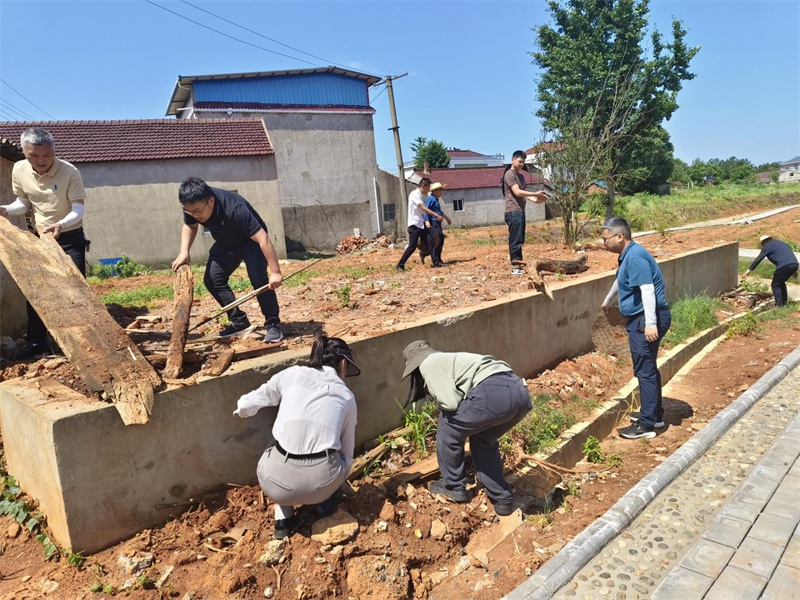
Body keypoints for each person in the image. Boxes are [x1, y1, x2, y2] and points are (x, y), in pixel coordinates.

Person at [233, 336, 360, 539]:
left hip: (274, 484)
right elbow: (347, 452)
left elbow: (247, 405)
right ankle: (323, 504)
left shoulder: (291, 375)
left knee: (277, 443)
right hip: (321, 485)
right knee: (335, 455)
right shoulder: (346, 396)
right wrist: (336, 482)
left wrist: (240, 410)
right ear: (343, 363)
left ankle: (282, 518)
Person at [402, 340, 532, 516]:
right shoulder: (448, 360)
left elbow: (449, 402)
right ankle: (502, 499)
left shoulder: (428, 363)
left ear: (415, 364)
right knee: (483, 439)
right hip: (519, 392)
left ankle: (454, 486)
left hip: (493, 392)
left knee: (447, 427)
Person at [0, 128, 88, 360]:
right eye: (33, 156)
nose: (40, 161)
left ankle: (83, 343)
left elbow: (78, 208)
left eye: (46, 156)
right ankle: (37, 341)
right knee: (37, 291)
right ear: (25, 153)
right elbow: (23, 203)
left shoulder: (70, 172)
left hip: (69, 237)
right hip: (40, 238)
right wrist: (6, 210)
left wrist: (60, 224)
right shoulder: (19, 169)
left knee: (76, 290)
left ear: (54, 151)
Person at [171, 177, 284, 342]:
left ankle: (273, 324)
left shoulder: (235, 209)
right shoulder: (192, 205)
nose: (195, 215)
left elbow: (263, 239)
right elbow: (190, 225)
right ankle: (239, 322)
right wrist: (184, 251)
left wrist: (276, 272)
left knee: (259, 280)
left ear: (211, 201)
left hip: (250, 242)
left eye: (197, 211)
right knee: (212, 279)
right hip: (225, 242)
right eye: (190, 212)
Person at [600, 217, 672, 440]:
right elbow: (621, 280)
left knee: (644, 370)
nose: (603, 243)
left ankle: (647, 425)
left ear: (620, 237)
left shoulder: (636, 256)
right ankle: (654, 414)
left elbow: (648, 290)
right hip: (642, 318)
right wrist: (608, 299)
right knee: (648, 367)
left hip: (645, 319)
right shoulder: (628, 256)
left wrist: (650, 324)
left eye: (606, 238)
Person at [503, 150, 548, 275]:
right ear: (513, 160)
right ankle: (515, 266)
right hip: (513, 211)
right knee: (515, 239)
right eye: (519, 161)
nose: (522, 164)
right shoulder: (509, 174)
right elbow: (517, 192)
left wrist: (538, 200)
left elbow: (525, 195)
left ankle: (518, 264)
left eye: (523, 162)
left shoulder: (521, 176)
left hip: (520, 211)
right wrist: (535, 193)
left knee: (520, 239)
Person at [395, 178, 442, 271]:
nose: (429, 190)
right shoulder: (415, 194)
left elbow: (422, 211)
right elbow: (423, 208)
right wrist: (436, 215)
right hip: (414, 225)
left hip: (421, 224)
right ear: (423, 186)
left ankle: (435, 262)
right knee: (412, 246)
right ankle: (400, 264)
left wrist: (426, 221)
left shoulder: (420, 195)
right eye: (428, 187)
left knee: (431, 241)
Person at [742, 235, 798, 307]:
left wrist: (749, 270)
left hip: (784, 266)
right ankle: (784, 303)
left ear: (763, 242)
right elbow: (787, 255)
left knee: (775, 285)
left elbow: (758, 259)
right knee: (780, 282)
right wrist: (794, 270)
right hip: (794, 264)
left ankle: (779, 305)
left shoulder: (767, 246)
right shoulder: (780, 243)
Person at [423, 182, 452, 267]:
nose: (441, 192)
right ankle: (436, 261)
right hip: (433, 222)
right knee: (435, 241)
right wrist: (427, 221)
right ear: (435, 191)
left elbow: (438, 212)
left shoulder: (435, 199)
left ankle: (438, 259)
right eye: (440, 190)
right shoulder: (430, 199)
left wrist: (446, 218)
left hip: (437, 222)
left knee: (440, 241)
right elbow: (425, 210)